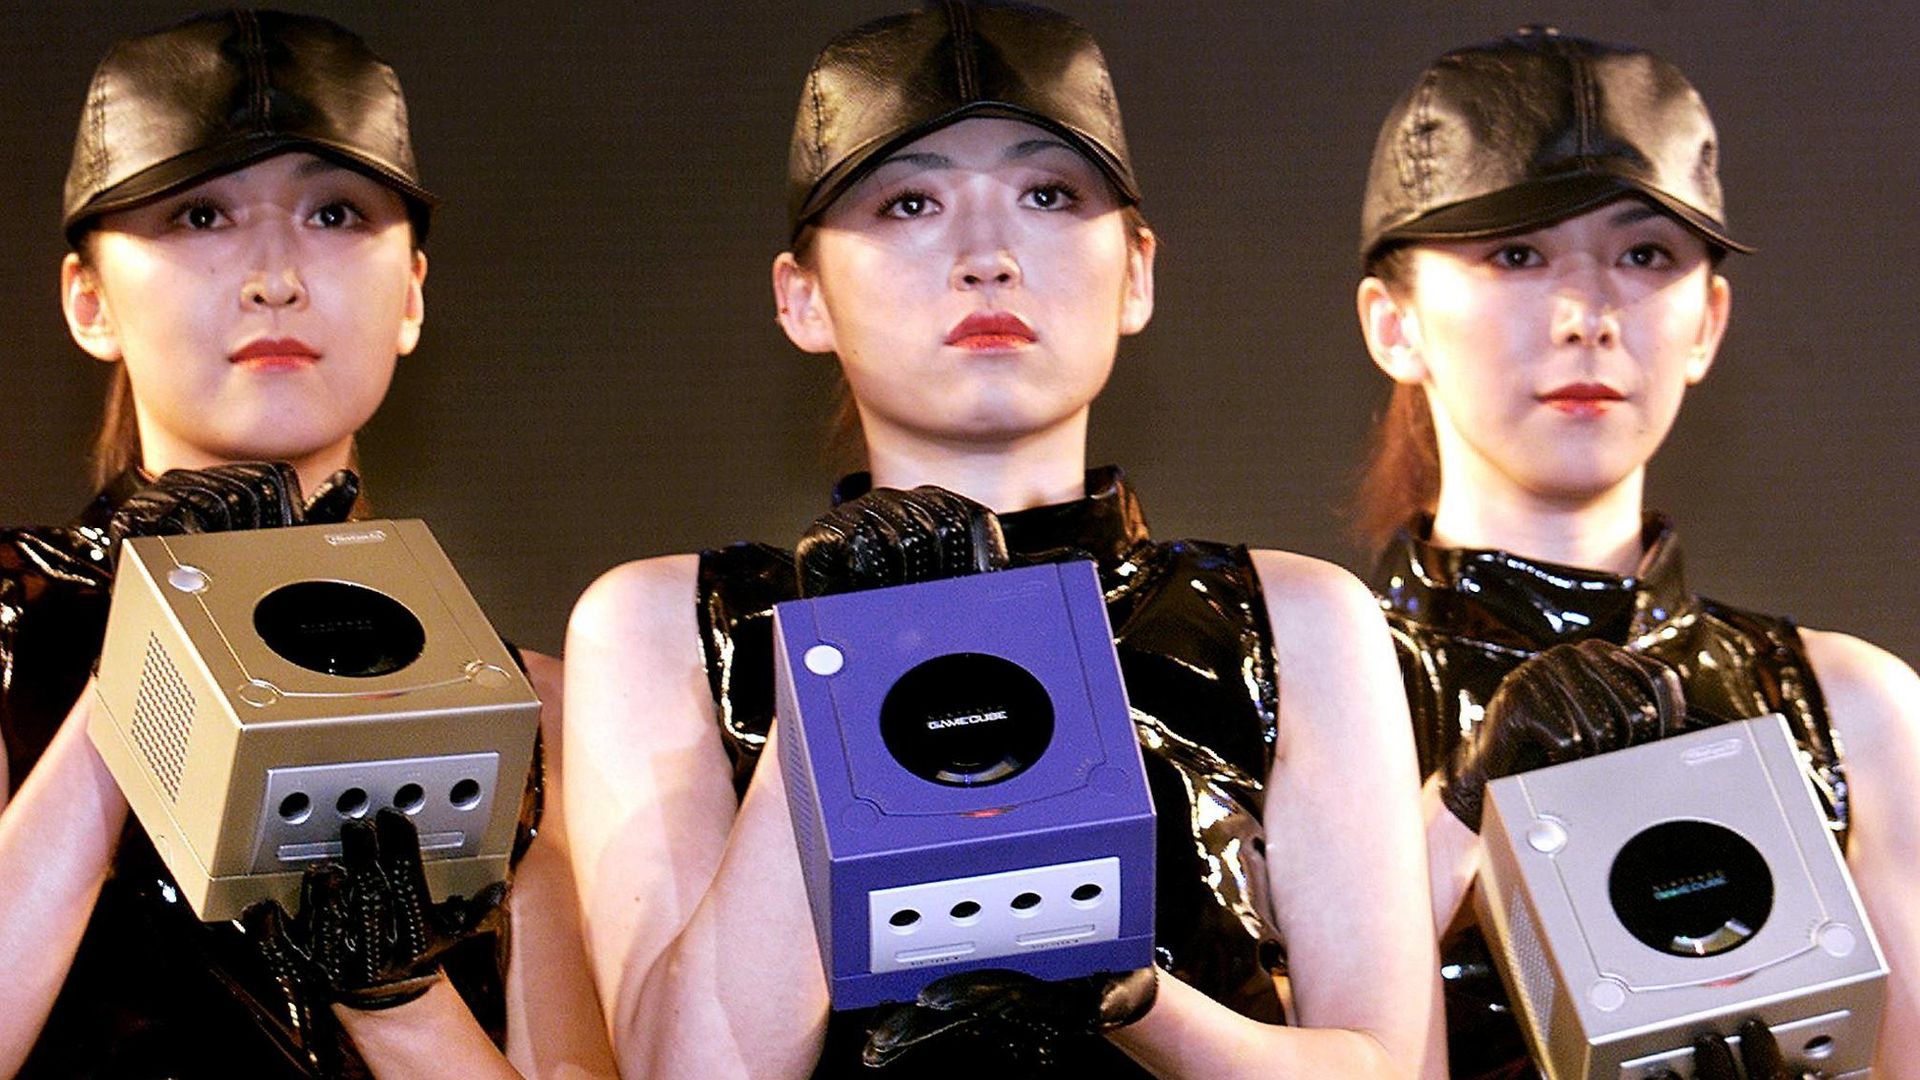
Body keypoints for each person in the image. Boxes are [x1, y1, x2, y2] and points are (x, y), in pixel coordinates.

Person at [564, 2, 1440, 1077]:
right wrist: (846, 667)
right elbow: (686, 1070)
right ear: (802, 298)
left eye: (1047, 195)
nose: (986, 253)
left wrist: (1135, 1000)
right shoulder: (665, 624)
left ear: (1138, 272)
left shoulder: (1292, 619)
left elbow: (1388, 1066)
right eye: (911, 201)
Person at [0, 11, 610, 1078]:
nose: (275, 273)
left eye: (335, 214)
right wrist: (160, 653)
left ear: (412, 293)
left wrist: (394, 997)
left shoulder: (536, 707)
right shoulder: (13, 624)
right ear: (88, 299)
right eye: (200, 216)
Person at [1351, 26, 1920, 1079]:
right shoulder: (1300, 685)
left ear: (1707, 323)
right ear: (1396, 324)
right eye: (1518, 255)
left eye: (1643, 255)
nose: (1587, 315)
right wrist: (1462, 810)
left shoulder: (1855, 709)